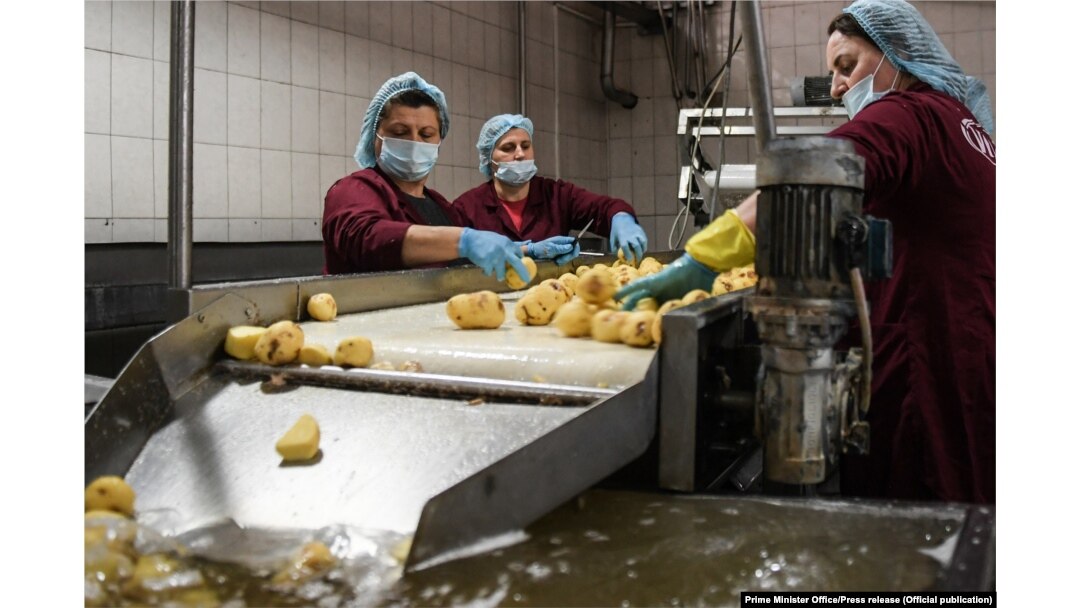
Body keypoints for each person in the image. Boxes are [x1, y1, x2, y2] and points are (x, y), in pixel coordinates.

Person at [617, 0, 995, 505]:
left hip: (926, 367)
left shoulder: (905, 115)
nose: (838, 86)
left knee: (913, 525)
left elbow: (811, 174)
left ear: (896, 56)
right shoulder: (961, 122)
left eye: (848, 66)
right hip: (968, 350)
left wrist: (705, 256)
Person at [322, 72, 530, 282]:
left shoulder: (441, 207)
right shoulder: (353, 189)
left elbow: (465, 260)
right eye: (400, 132)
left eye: (426, 134)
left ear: (439, 141)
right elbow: (366, 239)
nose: (414, 142)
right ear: (375, 137)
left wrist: (520, 251)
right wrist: (463, 241)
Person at [454, 114, 649, 266]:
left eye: (526, 145)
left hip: (552, 294)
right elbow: (453, 256)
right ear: (489, 159)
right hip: (489, 301)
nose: (520, 154)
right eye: (508, 148)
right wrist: (527, 250)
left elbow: (606, 207)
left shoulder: (556, 195)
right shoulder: (468, 207)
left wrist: (622, 219)